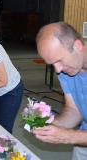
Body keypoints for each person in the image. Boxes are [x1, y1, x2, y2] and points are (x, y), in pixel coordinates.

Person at [33, 22, 87, 159]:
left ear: (77, 46)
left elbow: (70, 137)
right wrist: (52, 126)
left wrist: (69, 136)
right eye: (52, 64)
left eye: (60, 60)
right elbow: (74, 110)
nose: (58, 70)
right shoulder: (66, 70)